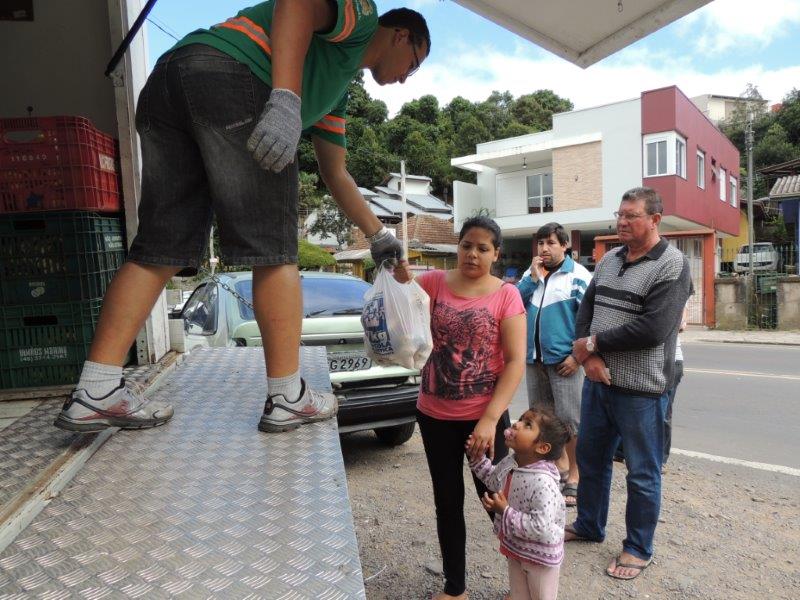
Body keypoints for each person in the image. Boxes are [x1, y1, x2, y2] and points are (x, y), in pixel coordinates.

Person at [54, 0, 429, 433]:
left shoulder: (336, 90)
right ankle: (288, 397)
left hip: (170, 81)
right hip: (231, 75)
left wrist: (378, 235)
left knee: (160, 247)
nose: (405, 77)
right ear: (401, 35)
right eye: (413, 63)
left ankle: (96, 389)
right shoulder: (363, 17)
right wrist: (285, 98)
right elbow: (297, 2)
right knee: (274, 251)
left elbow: (335, 172)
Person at [394, 216, 527, 600]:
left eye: (483, 248)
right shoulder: (433, 282)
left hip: (484, 420)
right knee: (447, 503)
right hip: (434, 416)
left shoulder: (507, 295)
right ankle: (455, 589)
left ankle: (528, 586)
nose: (472, 254)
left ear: (496, 254)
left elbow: (515, 362)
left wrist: (489, 419)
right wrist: (400, 279)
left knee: (498, 503)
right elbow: (402, 308)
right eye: (467, 245)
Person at [566, 187, 692, 581]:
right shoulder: (609, 260)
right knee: (591, 458)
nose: (621, 222)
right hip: (598, 381)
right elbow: (586, 309)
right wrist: (590, 357)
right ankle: (589, 524)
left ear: (655, 220)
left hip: (643, 388)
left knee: (641, 471)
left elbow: (654, 328)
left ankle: (638, 548)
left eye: (631, 216)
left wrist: (592, 345)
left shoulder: (672, 264)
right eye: (619, 215)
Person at [517, 223, 591, 507]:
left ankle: (576, 475)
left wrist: (578, 357)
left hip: (564, 362)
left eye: (550, 243)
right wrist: (532, 279)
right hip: (534, 360)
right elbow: (513, 303)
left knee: (570, 421)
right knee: (542, 420)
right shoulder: (531, 274)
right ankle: (556, 467)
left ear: (564, 246)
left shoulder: (578, 276)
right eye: (540, 243)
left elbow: (590, 320)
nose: (544, 249)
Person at [468, 409, 570, 600]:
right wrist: (477, 457)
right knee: (518, 595)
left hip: (540, 557)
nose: (516, 424)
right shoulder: (512, 462)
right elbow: (493, 479)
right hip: (516, 548)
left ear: (542, 447)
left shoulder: (543, 483)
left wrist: (504, 511)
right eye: (521, 419)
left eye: (528, 425)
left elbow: (540, 526)